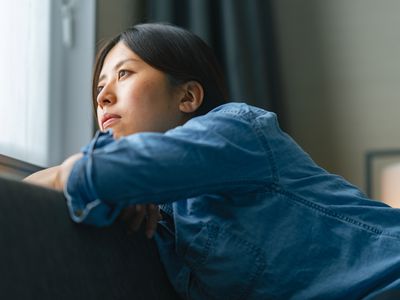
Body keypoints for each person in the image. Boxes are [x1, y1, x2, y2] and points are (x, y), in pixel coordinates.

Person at [25, 23, 400, 299]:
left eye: (124, 74)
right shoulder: (158, 216)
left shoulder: (236, 128)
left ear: (188, 96)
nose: (104, 96)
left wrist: (78, 172)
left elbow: (90, 176)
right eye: (99, 87)